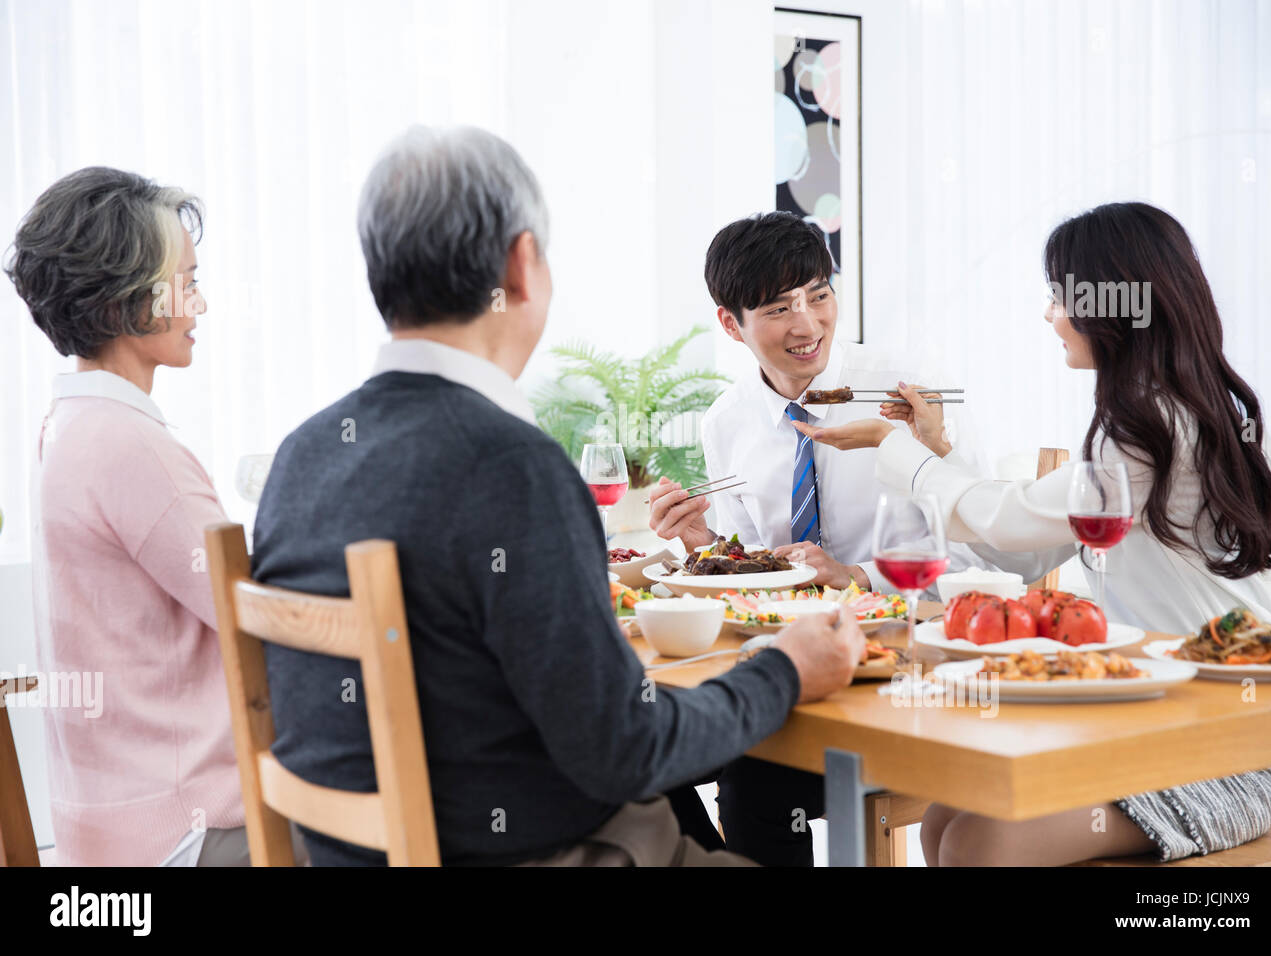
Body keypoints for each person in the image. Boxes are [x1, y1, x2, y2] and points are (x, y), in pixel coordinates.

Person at [249, 125, 865, 867]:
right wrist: (787, 667)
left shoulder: (304, 454)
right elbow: (625, 749)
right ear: (523, 263)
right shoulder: (510, 463)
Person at [796, 201, 1271, 864]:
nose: (1049, 315)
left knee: (978, 841)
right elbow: (1011, 547)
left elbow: (1004, 517)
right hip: (1151, 717)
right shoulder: (1149, 411)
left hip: (1220, 744)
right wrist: (931, 447)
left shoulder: (1153, 427)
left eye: (1059, 296)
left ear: (1113, 306)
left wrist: (897, 448)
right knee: (944, 821)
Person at [646, 211, 1064, 866]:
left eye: (819, 294)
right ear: (731, 323)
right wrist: (708, 548)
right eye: (779, 308)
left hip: (908, 680)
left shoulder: (905, 388)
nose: (807, 324)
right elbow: (760, 583)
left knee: (754, 777)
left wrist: (861, 572)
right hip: (795, 677)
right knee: (650, 756)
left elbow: (984, 555)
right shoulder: (728, 422)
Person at [4, 167, 247, 865]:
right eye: (188, 282)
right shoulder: (129, 444)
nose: (200, 305)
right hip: (183, 833)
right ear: (124, 301)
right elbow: (255, 614)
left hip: (108, 834)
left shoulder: (69, 426)